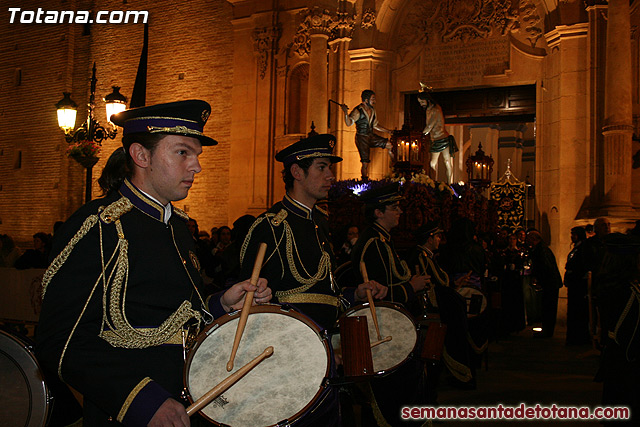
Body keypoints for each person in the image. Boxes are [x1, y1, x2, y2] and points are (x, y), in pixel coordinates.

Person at [36, 100, 272, 427]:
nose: (196, 167)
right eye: (182, 153)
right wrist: (139, 399)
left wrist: (220, 304)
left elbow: (171, 315)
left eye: (196, 155)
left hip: (190, 402)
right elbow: (58, 339)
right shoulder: (100, 226)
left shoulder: (176, 226)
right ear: (141, 156)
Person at [239, 133, 387, 425]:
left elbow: (324, 291)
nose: (330, 176)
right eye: (321, 167)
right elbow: (253, 307)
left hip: (329, 353)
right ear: (297, 172)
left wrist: (355, 294)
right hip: (289, 359)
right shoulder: (270, 226)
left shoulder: (319, 222)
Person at [351, 183, 430, 425]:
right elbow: (379, 294)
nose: (400, 212)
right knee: (389, 392)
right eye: (394, 207)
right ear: (378, 212)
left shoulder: (383, 240)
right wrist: (411, 287)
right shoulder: (373, 243)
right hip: (384, 329)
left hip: (395, 326)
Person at [409, 221, 474, 391]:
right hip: (429, 313)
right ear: (429, 239)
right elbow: (430, 284)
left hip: (438, 308)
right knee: (431, 357)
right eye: (437, 236)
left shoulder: (428, 256)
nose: (439, 239)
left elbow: (440, 282)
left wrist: (453, 284)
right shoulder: (420, 256)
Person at [341, 90, 394, 180]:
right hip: (362, 138)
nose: (374, 101)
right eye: (373, 99)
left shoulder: (372, 110)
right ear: (366, 100)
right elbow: (349, 123)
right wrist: (345, 113)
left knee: (390, 145)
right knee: (365, 162)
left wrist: (388, 131)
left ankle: (394, 167)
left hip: (371, 136)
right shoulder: (357, 111)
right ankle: (364, 180)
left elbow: (375, 125)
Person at [526, 230, 563, 338]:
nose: (527, 241)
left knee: (548, 308)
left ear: (534, 239)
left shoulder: (541, 250)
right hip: (549, 283)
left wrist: (539, 281)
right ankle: (547, 330)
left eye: (529, 238)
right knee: (547, 307)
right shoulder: (540, 249)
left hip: (549, 284)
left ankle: (547, 331)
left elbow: (545, 267)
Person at [416, 90, 458, 184]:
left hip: (443, 138)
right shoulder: (428, 109)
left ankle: (449, 183)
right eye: (420, 102)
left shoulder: (436, 109)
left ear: (427, 100)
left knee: (447, 162)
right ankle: (433, 182)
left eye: (422, 102)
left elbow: (430, 125)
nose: (421, 104)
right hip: (434, 140)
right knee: (432, 163)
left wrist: (421, 135)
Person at [564, 226, 590, 345]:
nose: (572, 236)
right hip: (574, 284)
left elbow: (580, 265)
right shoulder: (577, 248)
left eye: (574, 234)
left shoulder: (583, 248)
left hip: (578, 285)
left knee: (578, 312)